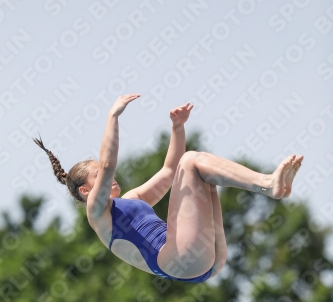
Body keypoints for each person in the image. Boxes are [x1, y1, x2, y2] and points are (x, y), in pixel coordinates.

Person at [33, 94, 303, 283]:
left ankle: (268, 184)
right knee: (192, 160)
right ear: (85, 190)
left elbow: (171, 172)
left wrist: (177, 129)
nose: (108, 178)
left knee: (200, 170)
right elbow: (107, 163)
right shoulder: (97, 213)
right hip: (181, 260)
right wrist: (112, 116)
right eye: (97, 176)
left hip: (205, 260)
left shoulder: (132, 199)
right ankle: (268, 185)